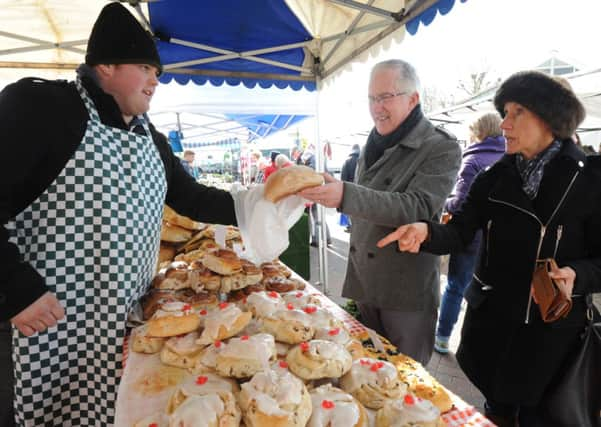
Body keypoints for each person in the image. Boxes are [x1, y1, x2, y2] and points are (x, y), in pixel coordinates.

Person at [0, 4, 238, 426]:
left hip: (120, 328)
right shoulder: (42, 108)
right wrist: (15, 288)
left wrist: (269, 201)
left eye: (158, 72)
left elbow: (193, 199)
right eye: (146, 67)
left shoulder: (149, 137)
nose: (155, 81)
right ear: (104, 66)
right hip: (43, 325)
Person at [377, 70, 600, 427]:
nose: (504, 123)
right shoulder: (494, 177)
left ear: (549, 118)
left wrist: (579, 274)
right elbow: (461, 231)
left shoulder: (590, 179)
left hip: (553, 338)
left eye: (516, 113)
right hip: (496, 330)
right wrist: (426, 233)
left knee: (541, 416)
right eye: (504, 112)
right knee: (496, 411)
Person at [299, 59, 461, 365]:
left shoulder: (441, 147)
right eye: (372, 98)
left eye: (386, 97)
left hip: (404, 291)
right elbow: (371, 196)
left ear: (413, 99)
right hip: (366, 281)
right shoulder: (372, 142)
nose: (377, 107)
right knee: (367, 374)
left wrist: (346, 194)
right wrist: (335, 187)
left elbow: (418, 205)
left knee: (408, 382)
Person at [434, 113, 505, 354]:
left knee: (456, 286)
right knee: (487, 289)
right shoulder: (512, 158)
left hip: (470, 236)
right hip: (498, 239)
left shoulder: (473, 160)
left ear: (479, 132)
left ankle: (443, 337)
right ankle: (478, 344)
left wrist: (446, 203)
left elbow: (463, 203)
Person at [339, 144, 361, 232]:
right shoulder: (363, 160)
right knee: (359, 208)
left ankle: (351, 226)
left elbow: (343, 177)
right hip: (360, 189)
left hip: (349, 189)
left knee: (350, 208)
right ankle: (357, 227)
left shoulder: (347, 161)